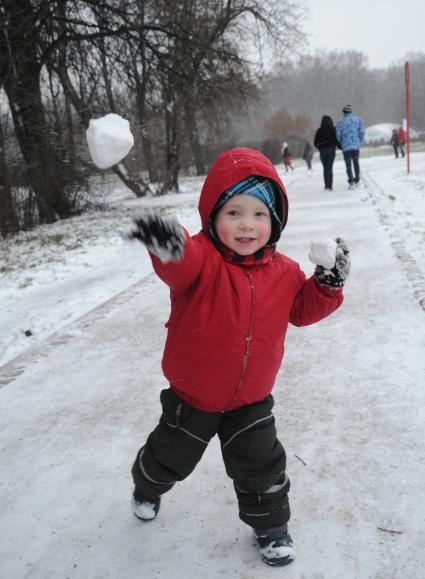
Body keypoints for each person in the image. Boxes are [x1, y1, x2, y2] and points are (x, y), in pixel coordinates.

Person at [127, 148, 350, 568]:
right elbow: (179, 264)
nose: (247, 224)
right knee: (169, 457)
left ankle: (270, 527)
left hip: (251, 400)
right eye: (233, 213)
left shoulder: (284, 272)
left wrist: (327, 284)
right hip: (193, 396)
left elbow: (303, 311)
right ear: (212, 217)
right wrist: (168, 244)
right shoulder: (202, 262)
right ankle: (147, 485)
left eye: (259, 214)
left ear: (275, 221)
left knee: (262, 466)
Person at [336, 104, 365, 189]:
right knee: (356, 162)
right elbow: (362, 132)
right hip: (356, 146)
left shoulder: (340, 122)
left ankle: (351, 181)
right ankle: (357, 179)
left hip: (346, 147)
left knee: (348, 164)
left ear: (344, 112)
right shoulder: (358, 120)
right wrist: (359, 141)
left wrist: (342, 142)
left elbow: (338, 135)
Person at [314, 116, 340, 190]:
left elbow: (315, 143)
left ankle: (326, 184)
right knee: (329, 167)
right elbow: (336, 139)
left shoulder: (319, 131)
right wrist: (340, 146)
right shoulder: (333, 129)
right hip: (331, 150)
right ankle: (330, 184)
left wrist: (320, 147)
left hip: (323, 151)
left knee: (325, 168)